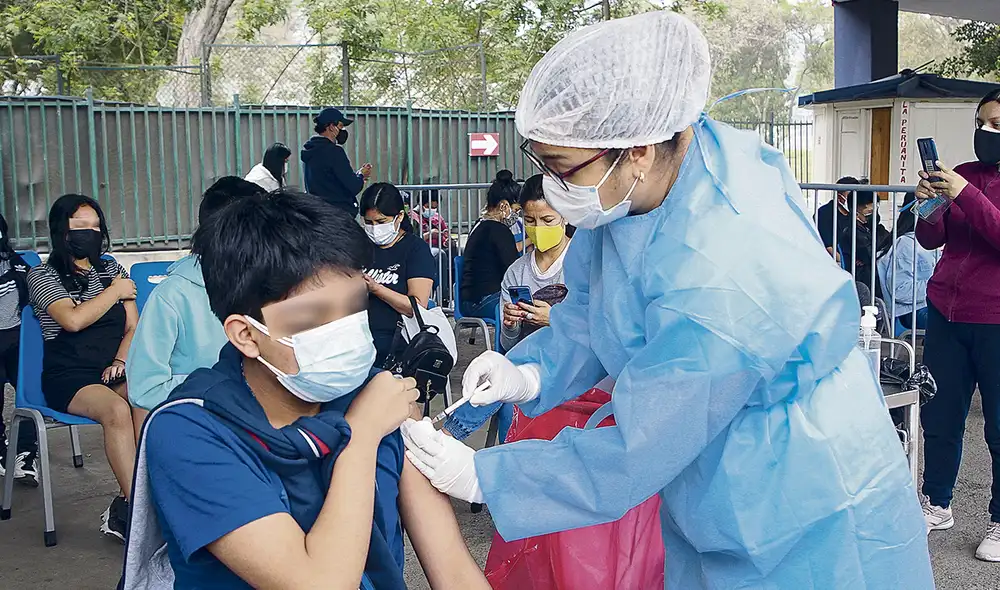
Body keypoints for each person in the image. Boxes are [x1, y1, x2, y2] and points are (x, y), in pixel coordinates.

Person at [401, 12, 933, 589]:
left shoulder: (724, 269)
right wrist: (528, 372)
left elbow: (641, 441)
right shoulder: (643, 185)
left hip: (800, 502)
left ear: (639, 150)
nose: (551, 187)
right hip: (711, 480)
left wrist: (488, 477)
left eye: (559, 168)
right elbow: (598, 313)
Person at [123, 190, 487, 590]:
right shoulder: (191, 431)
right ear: (246, 334)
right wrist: (361, 436)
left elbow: (450, 565)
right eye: (315, 316)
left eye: (354, 307)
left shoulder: (371, 394)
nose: (345, 331)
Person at [915, 88, 1000, 563]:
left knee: (999, 427)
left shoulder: (965, 183)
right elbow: (930, 238)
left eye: (999, 125)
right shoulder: (963, 174)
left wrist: (964, 195)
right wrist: (927, 200)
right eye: (984, 122)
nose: (989, 133)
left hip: (996, 319)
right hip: (946, 312)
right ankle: (938, 502)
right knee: (940, 416)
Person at [27, 194, 139, 542]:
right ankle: (140, 510)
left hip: (110, 367)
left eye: (96, 226)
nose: (90, 233)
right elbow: (72, 320)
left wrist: (120, 361)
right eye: (81, 227)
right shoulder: (42, 275)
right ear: (62, 231)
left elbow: (133, 327)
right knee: (116, 410)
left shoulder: (112, 269)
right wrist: (115, 292)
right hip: (69, 375)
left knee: (148, 399)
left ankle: (129, 503)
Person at [443, 174, 571, 442]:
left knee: (504, 377)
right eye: (530, 221)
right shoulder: (517, 272)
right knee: (503, 373)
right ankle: (448, 437)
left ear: (566, 216)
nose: (537, 228)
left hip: (569, 361)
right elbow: (507, 343)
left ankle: (446, 435)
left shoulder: (582, 264)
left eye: (547, 220)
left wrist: (555, 320)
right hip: (525, 360)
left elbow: (597, 326)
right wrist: (510, 325)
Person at [127, 177, 264, 413]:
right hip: (208, 422)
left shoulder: (274, 284)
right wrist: (227, 389)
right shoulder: (172, 296)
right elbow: (144, 388)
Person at [359, 183, 435, 367]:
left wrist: (376, 289)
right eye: (368, 223)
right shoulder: (359, 247)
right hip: (357, 335)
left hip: (396, 339)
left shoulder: (415, 249)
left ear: (399, 216)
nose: (374, 228)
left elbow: (416, 307)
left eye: (381, 222)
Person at [0, 213, 37, 485]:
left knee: (29, 392)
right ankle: (2, 450)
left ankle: (25, 452)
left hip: (18, 342)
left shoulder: (18, 266)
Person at [459, 170, 519, 319]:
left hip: (469, 301)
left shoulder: (479, 225)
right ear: (504, 206)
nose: (517, 216)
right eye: (516, 210)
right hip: (485, 301)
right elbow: (514, 271)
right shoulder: (499, 230)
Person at [877, 193, 936, 330]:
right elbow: (899, 290)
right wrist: (937, 286)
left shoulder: (926, 242)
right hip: (912, 310)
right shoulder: (906, 244)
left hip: (925, 305)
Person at [301, 107, 372, 217]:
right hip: (337, 216)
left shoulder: (310, 151)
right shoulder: (334, 152)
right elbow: (353, 186)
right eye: (341, 126)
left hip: (317, 214)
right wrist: (361, 175)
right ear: (331, 127)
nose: (343, 130)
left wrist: (358, 175)